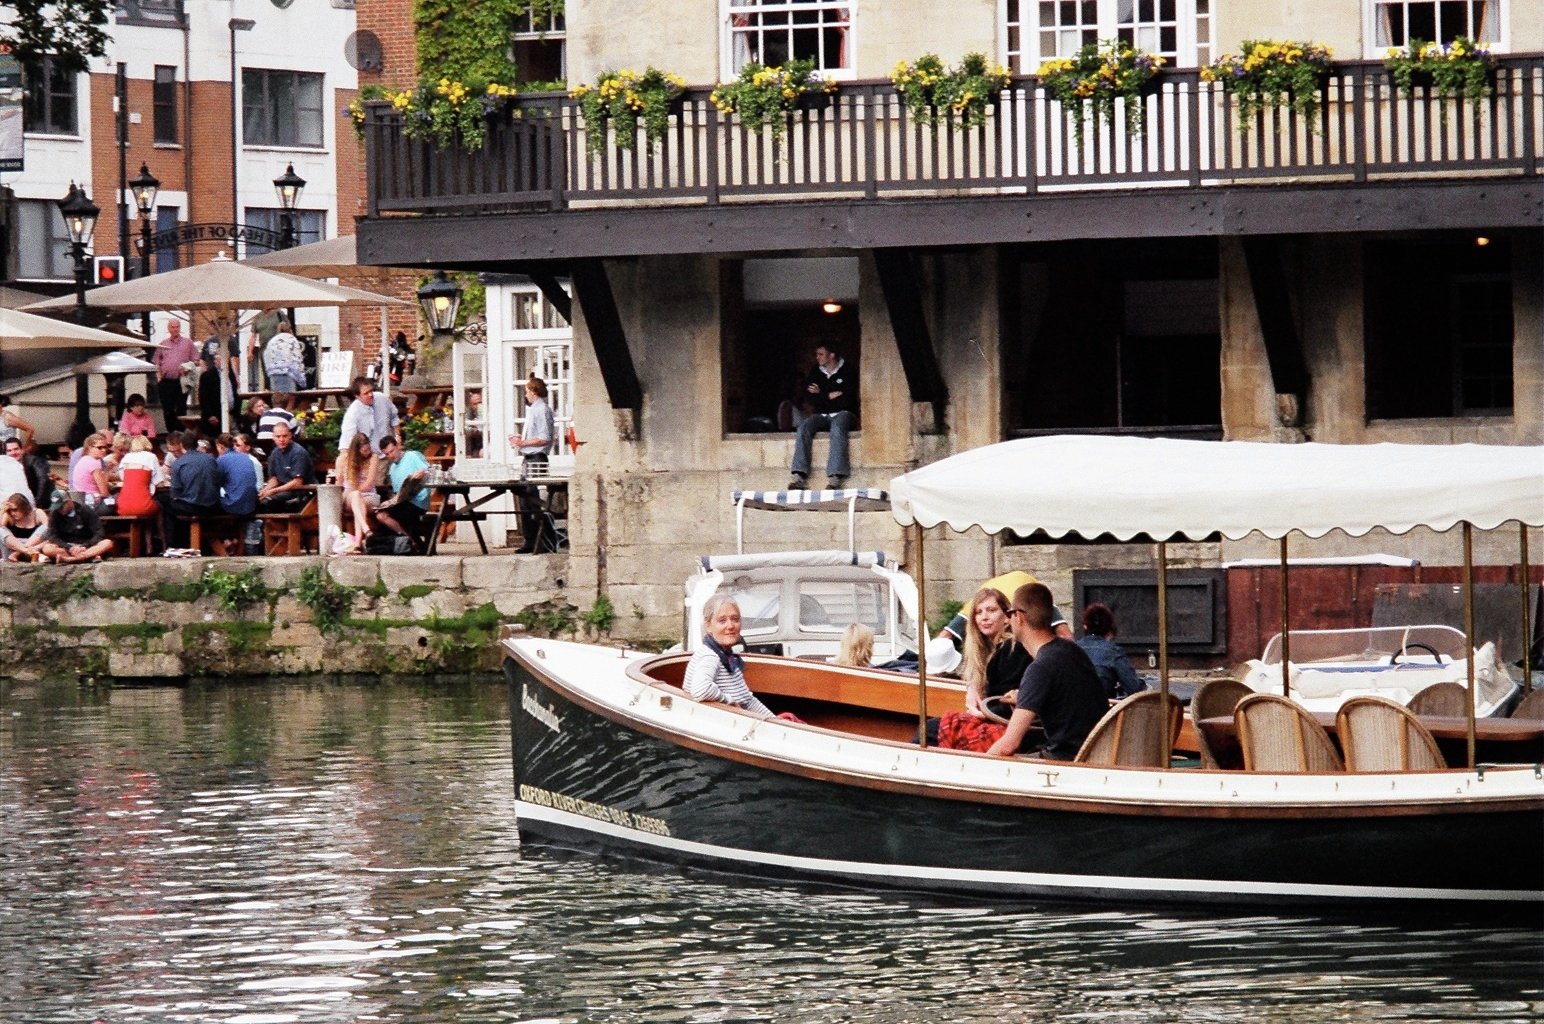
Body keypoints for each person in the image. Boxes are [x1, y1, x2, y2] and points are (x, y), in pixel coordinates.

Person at [986, 583, 1109, 761]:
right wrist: (1024, 697)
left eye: (1009, 614)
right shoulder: (1072, 651)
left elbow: (1008, 745)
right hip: (1095, 753)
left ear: (1018, 617)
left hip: (1064, 762)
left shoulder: (1040, 667)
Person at [682, 595, 775, 719]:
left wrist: (774, 720)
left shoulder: (728, 657)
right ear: (708, 625)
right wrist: (728, 700)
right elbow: (700, 690)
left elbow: (747, 700)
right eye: (722, 621)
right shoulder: (710, 656)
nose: (730, 626)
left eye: (735, 619)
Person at [940, 570, 1073, 651]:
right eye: (979, 612)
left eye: (991, 610)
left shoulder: (1029, 595)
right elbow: (1066, 636)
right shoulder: (978, 603)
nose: (984, 617)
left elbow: (1065, 635)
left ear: (1007, 616)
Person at [787, 343, 858, 491]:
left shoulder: (848, 370)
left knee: (837, 428)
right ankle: (799, 475)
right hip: (821, 414)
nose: (817, 357)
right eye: (816, 354)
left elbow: (848, 399)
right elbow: (809, 398)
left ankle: (835, 478)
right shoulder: (815, 371)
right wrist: (829, 395)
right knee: (804, 427)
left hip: (844, 413)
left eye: (821, 354)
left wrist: (821, 393)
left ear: (831, 355)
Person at [508, 375, 555, 554]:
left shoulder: (541, 409)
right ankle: (530, 540)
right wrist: (522, 439)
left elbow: (544, 438)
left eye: (527, 391)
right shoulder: (534, 410)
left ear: (534, 391)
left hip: (536, 457)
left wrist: (523, 444)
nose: (526, 395)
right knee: (525, 500)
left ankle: (540, 541)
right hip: (529, 457)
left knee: (532, 500)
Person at [157, 431, 221, 548]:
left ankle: (172, 544)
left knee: (164, 502)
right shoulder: (211, 459)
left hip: (192, 506)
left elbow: (175, 492)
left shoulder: (179, 463)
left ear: (181, 445)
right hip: (213, 505)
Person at [1077, 603, 1147, 700]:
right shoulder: (1113, 652)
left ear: (1085, 626)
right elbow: (1135, 688)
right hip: (1103, 711)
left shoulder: (1070, 649)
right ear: (1110, 628)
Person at [373, 435, 429, 546]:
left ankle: (409, 542)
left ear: (398, 446)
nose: (391, 456)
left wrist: (421, 473)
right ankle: (409, 541)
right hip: (404, 502)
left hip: (418, 502)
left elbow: (428, 470)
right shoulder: (392, 469)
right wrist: (390, 502)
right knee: (380, 518)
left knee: (382, 516)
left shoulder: (412, 456)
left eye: (392, 451)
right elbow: (398, 493)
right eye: (387, 454)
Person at [38, 491, 113, 563]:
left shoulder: (85, 510)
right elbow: (52, 536)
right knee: (47, 548)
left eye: (61, 507)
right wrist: (69, 547)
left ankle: (70, 559)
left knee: (107, 543)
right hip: (66, 546)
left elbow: (99, 532)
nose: (59, 510)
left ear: (69, 502)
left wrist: (84, 546)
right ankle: (88, 557)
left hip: (86, 544)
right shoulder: (54, 514)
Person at [257, 422, 315, 514]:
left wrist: (272, 491)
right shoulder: (275, 453)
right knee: (257, 499)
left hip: (301, 491)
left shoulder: (298, 452)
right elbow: (274, 478)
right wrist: (264, 491)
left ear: (290, 436)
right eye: (278, 436)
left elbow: (297, 483)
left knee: (269, 502)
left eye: (284, 436)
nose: (281, 439)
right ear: (273, 437)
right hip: (284, 490)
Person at [153, 319, 199, 432]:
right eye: (173, 327)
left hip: (181, 381)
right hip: (166, 382)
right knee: (167, 409)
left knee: (181, 408)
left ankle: (180, 434)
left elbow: (196, 360)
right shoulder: (163, 344)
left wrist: (187, 367)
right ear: (169, 329)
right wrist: (159, 377)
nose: (175, 329)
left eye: (177, 327)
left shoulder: (188, 343)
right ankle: (171, 433)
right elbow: (156, 362)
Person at [335, 431, 381, 542]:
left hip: (368, 495)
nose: (367, 453)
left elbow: (369, 484)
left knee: (358, 502)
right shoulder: (343, 459)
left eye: (368, 449)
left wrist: (356, 492)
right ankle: (364, 534)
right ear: (356, 451)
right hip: (348, 496)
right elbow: (339, 483)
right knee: (356, 497)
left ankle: (359, 542)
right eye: (364, 451)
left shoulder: (373, 458)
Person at [338, 376, 399, 455]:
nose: (370, 395)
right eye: (366, 393)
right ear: (357, 396)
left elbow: (394, 418)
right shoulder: (352, 414)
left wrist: (397, 436)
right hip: (369, 457)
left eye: (371, 391)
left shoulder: (382, 399)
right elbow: (348, 441)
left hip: (390, 452)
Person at [115, 436, 161, 518]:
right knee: (161, 503)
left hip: (123, 505)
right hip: (144, 505)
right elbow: (158, 480)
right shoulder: (151, 456)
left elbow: (123, 478)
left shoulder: (126, 457)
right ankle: (159, 530)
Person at [215, 433, 259, 517]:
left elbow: (216, 484)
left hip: (233, 505)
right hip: (252, 504)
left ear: (220, 446)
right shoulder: (246, 457)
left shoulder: (222, 459)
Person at [5, 438, 55, 510]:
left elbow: (44, 481)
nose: (13, 453)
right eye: (9, 450)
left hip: (43, 504)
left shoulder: (34, 461)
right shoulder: (7, 466)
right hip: (22, 507)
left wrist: (35, 505)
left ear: (22, 450)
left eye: (16, 449)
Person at [198, 350, 237, 437]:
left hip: (231, 413)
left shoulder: (230, 375)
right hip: (216, 415)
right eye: (217, 359)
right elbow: (203, 398)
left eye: (223, 359)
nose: (219, 362)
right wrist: (210, 415)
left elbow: (234, 393)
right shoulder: (207, 376)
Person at [262, 318, 307, 393]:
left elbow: (266, 356)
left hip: (273, 374)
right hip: (288, 373)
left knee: (277, 398)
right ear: (290, 330)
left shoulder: (272, 341)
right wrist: (302, 381)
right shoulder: (292, 340)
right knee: (288, 398)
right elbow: (297, 359)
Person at [1, 492, 48, 561]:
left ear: (23, 507)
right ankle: (24, 550)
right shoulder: (9, 515)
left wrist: (37, 547)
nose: (12, 513)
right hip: (11, 553)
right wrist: (3, 511)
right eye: (10, 510)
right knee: (1, 530)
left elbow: (52, 533)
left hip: (33, 552)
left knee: (46, 528)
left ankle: (20, 552)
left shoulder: (37, 513)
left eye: (15, 510)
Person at [70, 434, 113, 507]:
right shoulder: (94, 463)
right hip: (93, 503)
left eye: (105, 447)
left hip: (81, 501)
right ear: (90, 448)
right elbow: (104, 492)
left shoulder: (83, 460)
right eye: (100, 447)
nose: (104, 450)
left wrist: (107, 470)